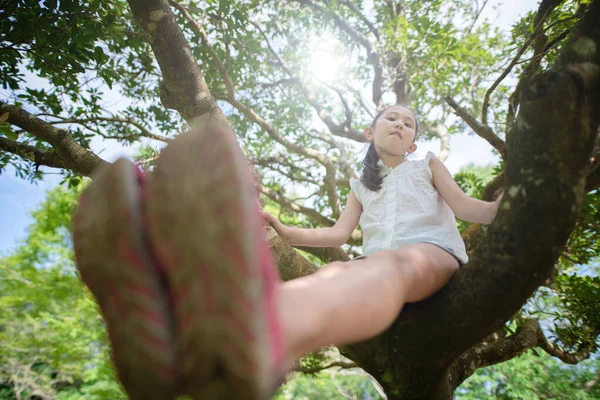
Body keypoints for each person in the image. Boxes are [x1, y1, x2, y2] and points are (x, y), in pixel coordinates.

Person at [72, 104, 502, 400]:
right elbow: (338, 234)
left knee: (390, 267)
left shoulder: (426, 165)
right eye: (392, 118)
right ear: (371, 133)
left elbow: (466, 208)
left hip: (432, 256)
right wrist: (282, 228)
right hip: (373, 271)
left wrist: (508, 206)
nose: (401, 125)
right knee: (336, 275)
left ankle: (250, 331)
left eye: (409, 124)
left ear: (412, 142)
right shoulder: (360, 184)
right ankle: (190, 328)